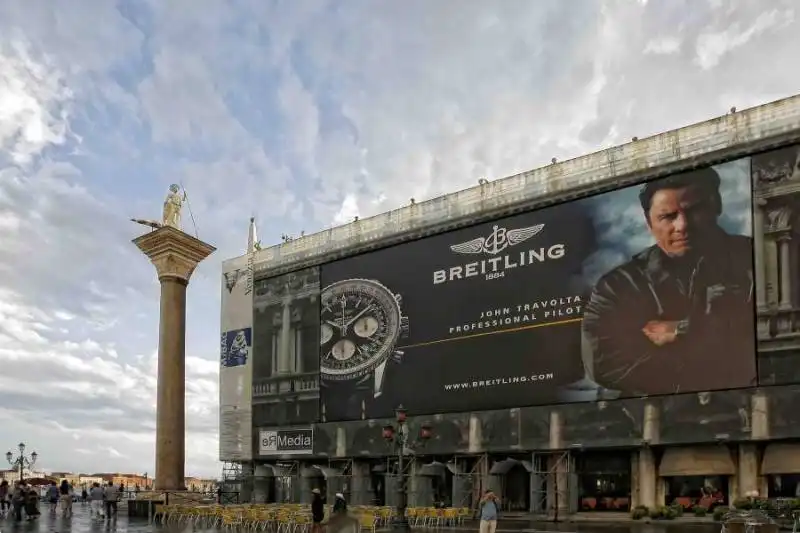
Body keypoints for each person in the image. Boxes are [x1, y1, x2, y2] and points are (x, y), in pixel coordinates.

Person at [582, 168, 756, 397]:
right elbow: (604, 365)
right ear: (649, 222)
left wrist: (683, 331)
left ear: (717, 205)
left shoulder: (758, 256)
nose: (682, 225)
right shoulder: (617, 286)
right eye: (668, 216)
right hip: (653, 422)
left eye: (695, 210)